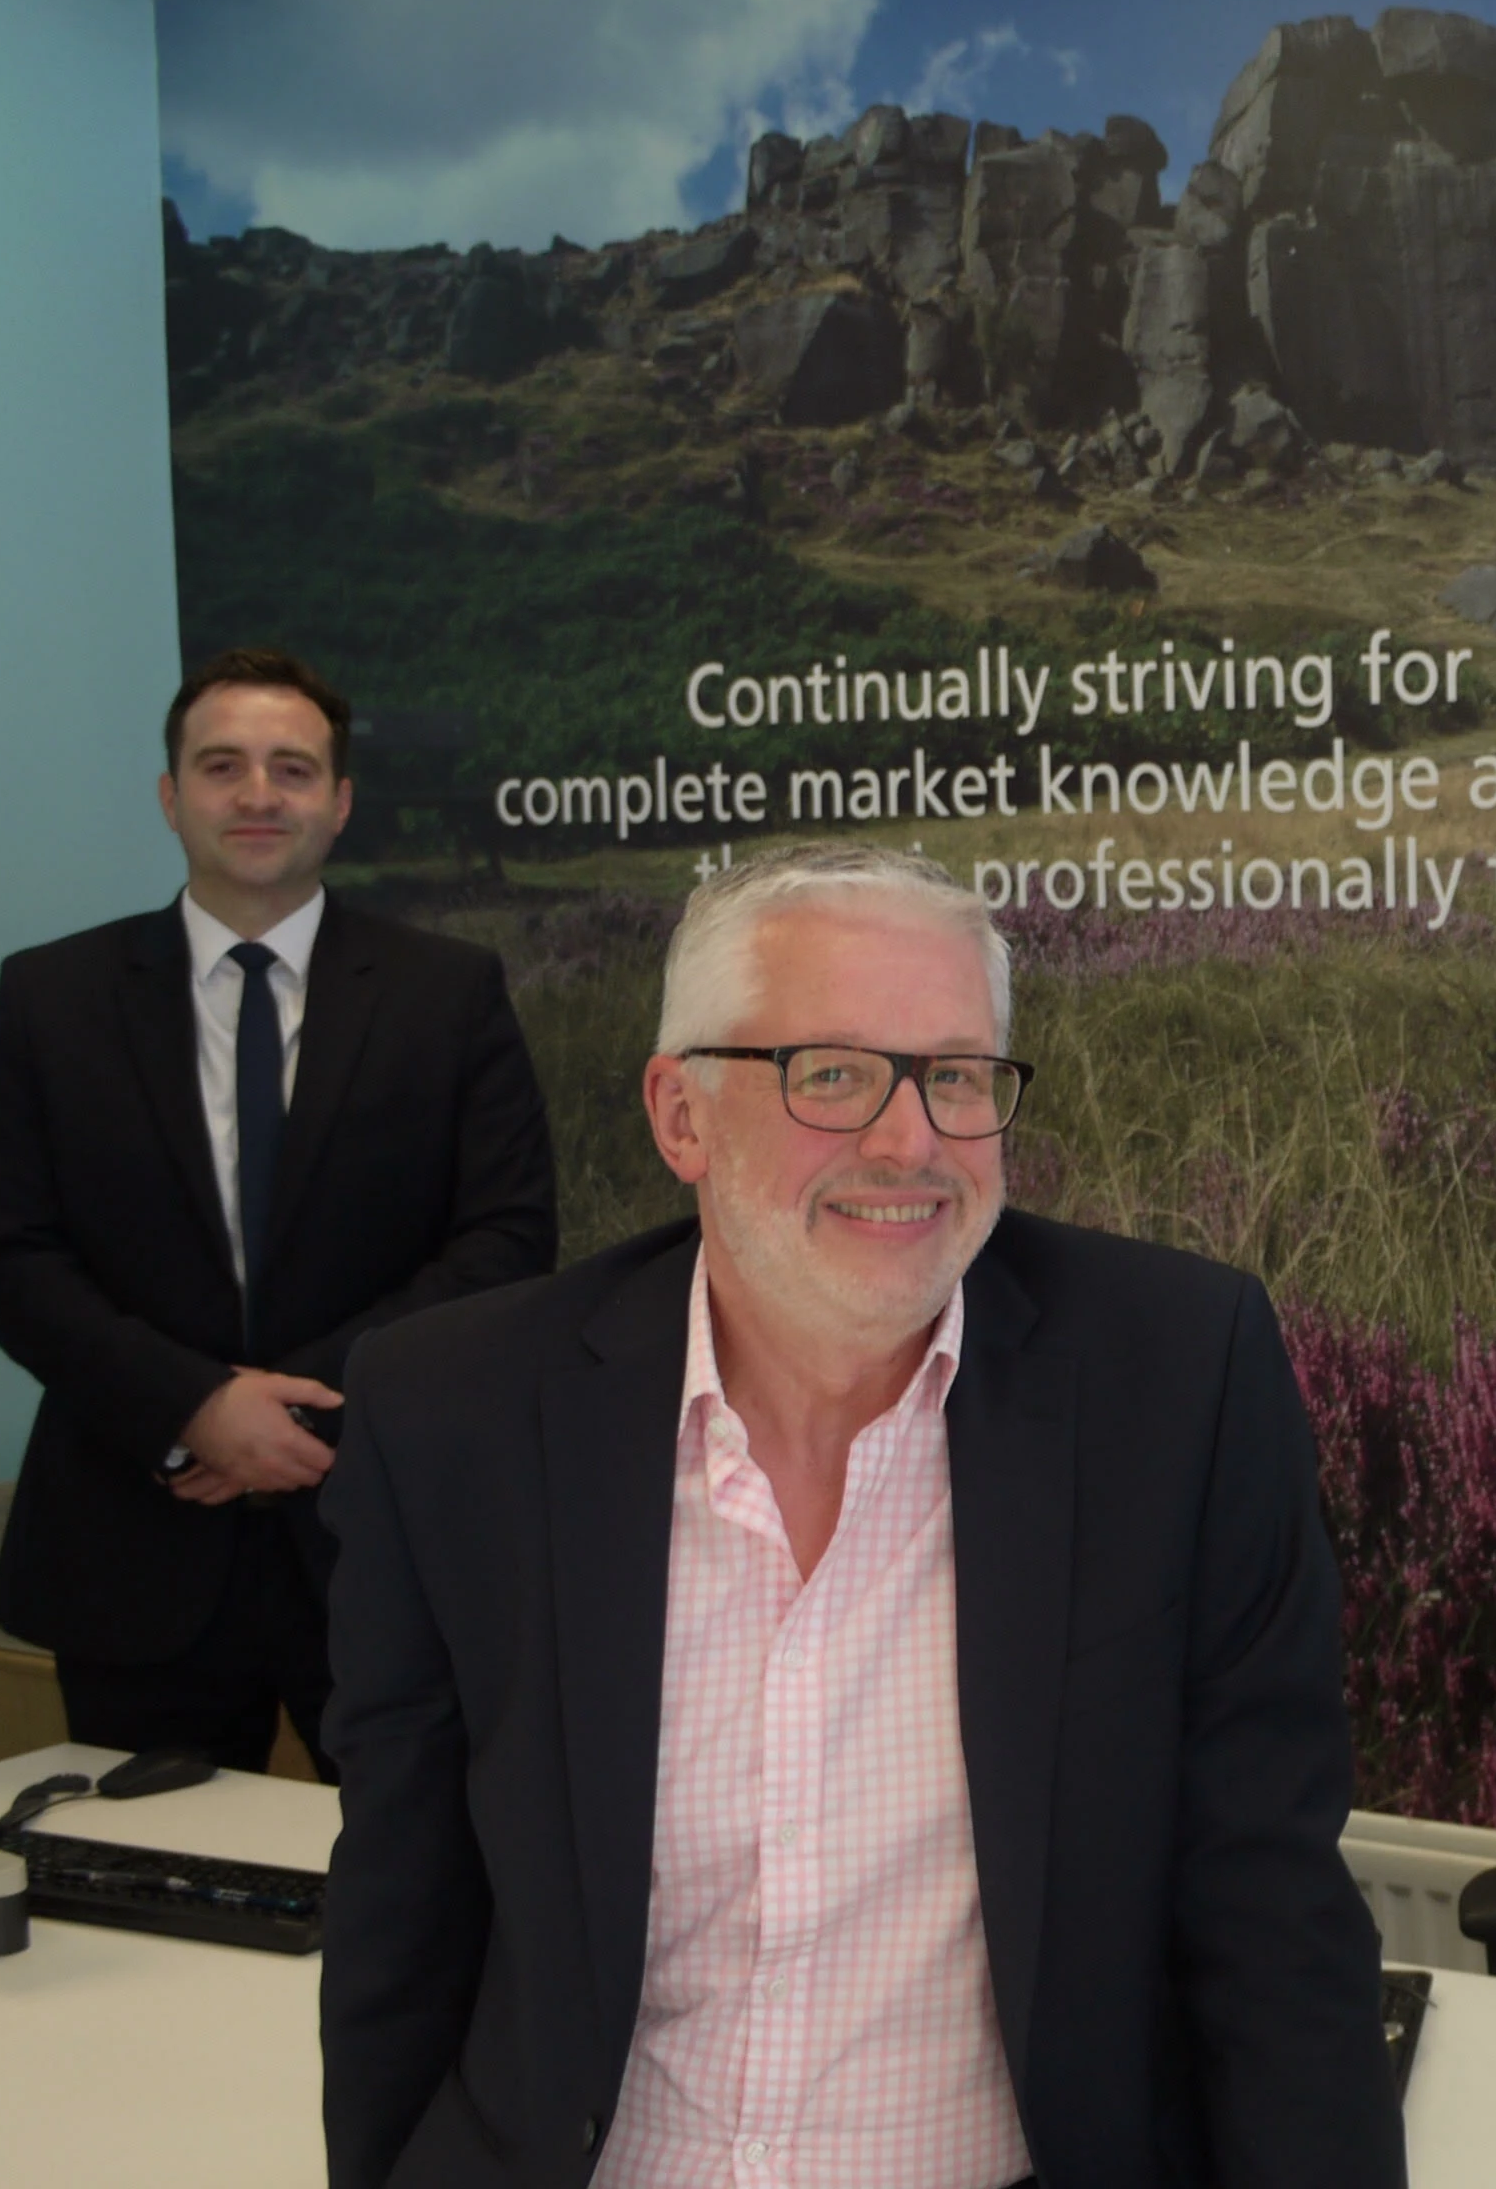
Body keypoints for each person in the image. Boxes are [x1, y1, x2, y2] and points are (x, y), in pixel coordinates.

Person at [320, 842, 1398, 2189]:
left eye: (955, 1075)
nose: (912, 1141)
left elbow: (1271, 1916)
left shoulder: (1174, 1382)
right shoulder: (458, 1414)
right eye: (831, 1074)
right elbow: (402, 1919)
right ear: (681, 1115)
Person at [0, 646, 556, 1775]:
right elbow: (9, 1254)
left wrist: (299, 1412)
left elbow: (505, 1241)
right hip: (135, 1528)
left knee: (420, 1887)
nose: (257, 792)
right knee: (144, 1883)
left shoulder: (447, 991)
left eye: (291, 766)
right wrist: (194, 1405)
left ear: (339, 801)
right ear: (172, 796)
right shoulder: (51, 997)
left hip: (381, 1526)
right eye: (222, 764)